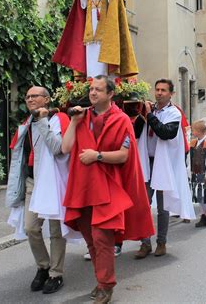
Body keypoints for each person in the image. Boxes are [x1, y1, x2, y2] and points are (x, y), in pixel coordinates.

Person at [61, 75, 154, 304]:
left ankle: (107, 285)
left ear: (110, 94)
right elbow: (65, 147)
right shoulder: (81, 118)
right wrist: (73, 121)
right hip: (84, 188)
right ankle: (101, 281)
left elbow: (124, 156)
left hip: (109, 189)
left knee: (102, 239)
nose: (93, 93)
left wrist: (97, 156)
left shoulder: (122, 120)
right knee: (91, 241)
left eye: (99, 90)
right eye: (92, 89)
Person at [5, 86, 71, 294]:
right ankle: (43, 266)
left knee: (55, 230)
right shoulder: (26, 124)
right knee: (31, 227)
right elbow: (19, 155)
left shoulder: (58, 118)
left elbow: (58, 148)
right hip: (33, 182)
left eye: (35, 96)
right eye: (27, 97)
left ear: (46, 99)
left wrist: (42, 121)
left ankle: (56, 273)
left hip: (53, 181)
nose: (30, 99)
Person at [134, 79, 196, 259]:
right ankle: (145, 243)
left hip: (164, 164)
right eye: (157, 90)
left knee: (163, 206)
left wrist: (150, 116)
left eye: (163, 90)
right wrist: (141, 115)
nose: (159, 93)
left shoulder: (174, 113)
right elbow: (136, 132)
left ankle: (161, 242)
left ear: (171, 94)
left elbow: (165, 132)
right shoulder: (149, 110)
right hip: (148, 162)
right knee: (144, 205)